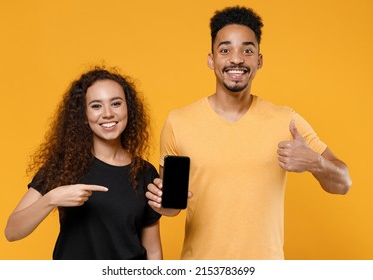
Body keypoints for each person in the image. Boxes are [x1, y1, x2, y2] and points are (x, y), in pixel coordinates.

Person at [146, 6, 352, 259]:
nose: (236, 59)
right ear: (211, 59)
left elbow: (343, 183)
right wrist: (161, 201)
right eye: (225, 50)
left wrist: (315, 162)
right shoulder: (179, 122)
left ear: (259, 60)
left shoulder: (287, 121)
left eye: (247, 50)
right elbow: (171, 208)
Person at [5, 67, 162, 260]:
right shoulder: (64, 166)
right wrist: (51, 198)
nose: (108, 113)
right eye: (96, 106)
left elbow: (153, 250)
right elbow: (12, 232)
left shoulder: (145, 172)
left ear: (128, 109)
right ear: (84, 116)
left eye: (116, 103)